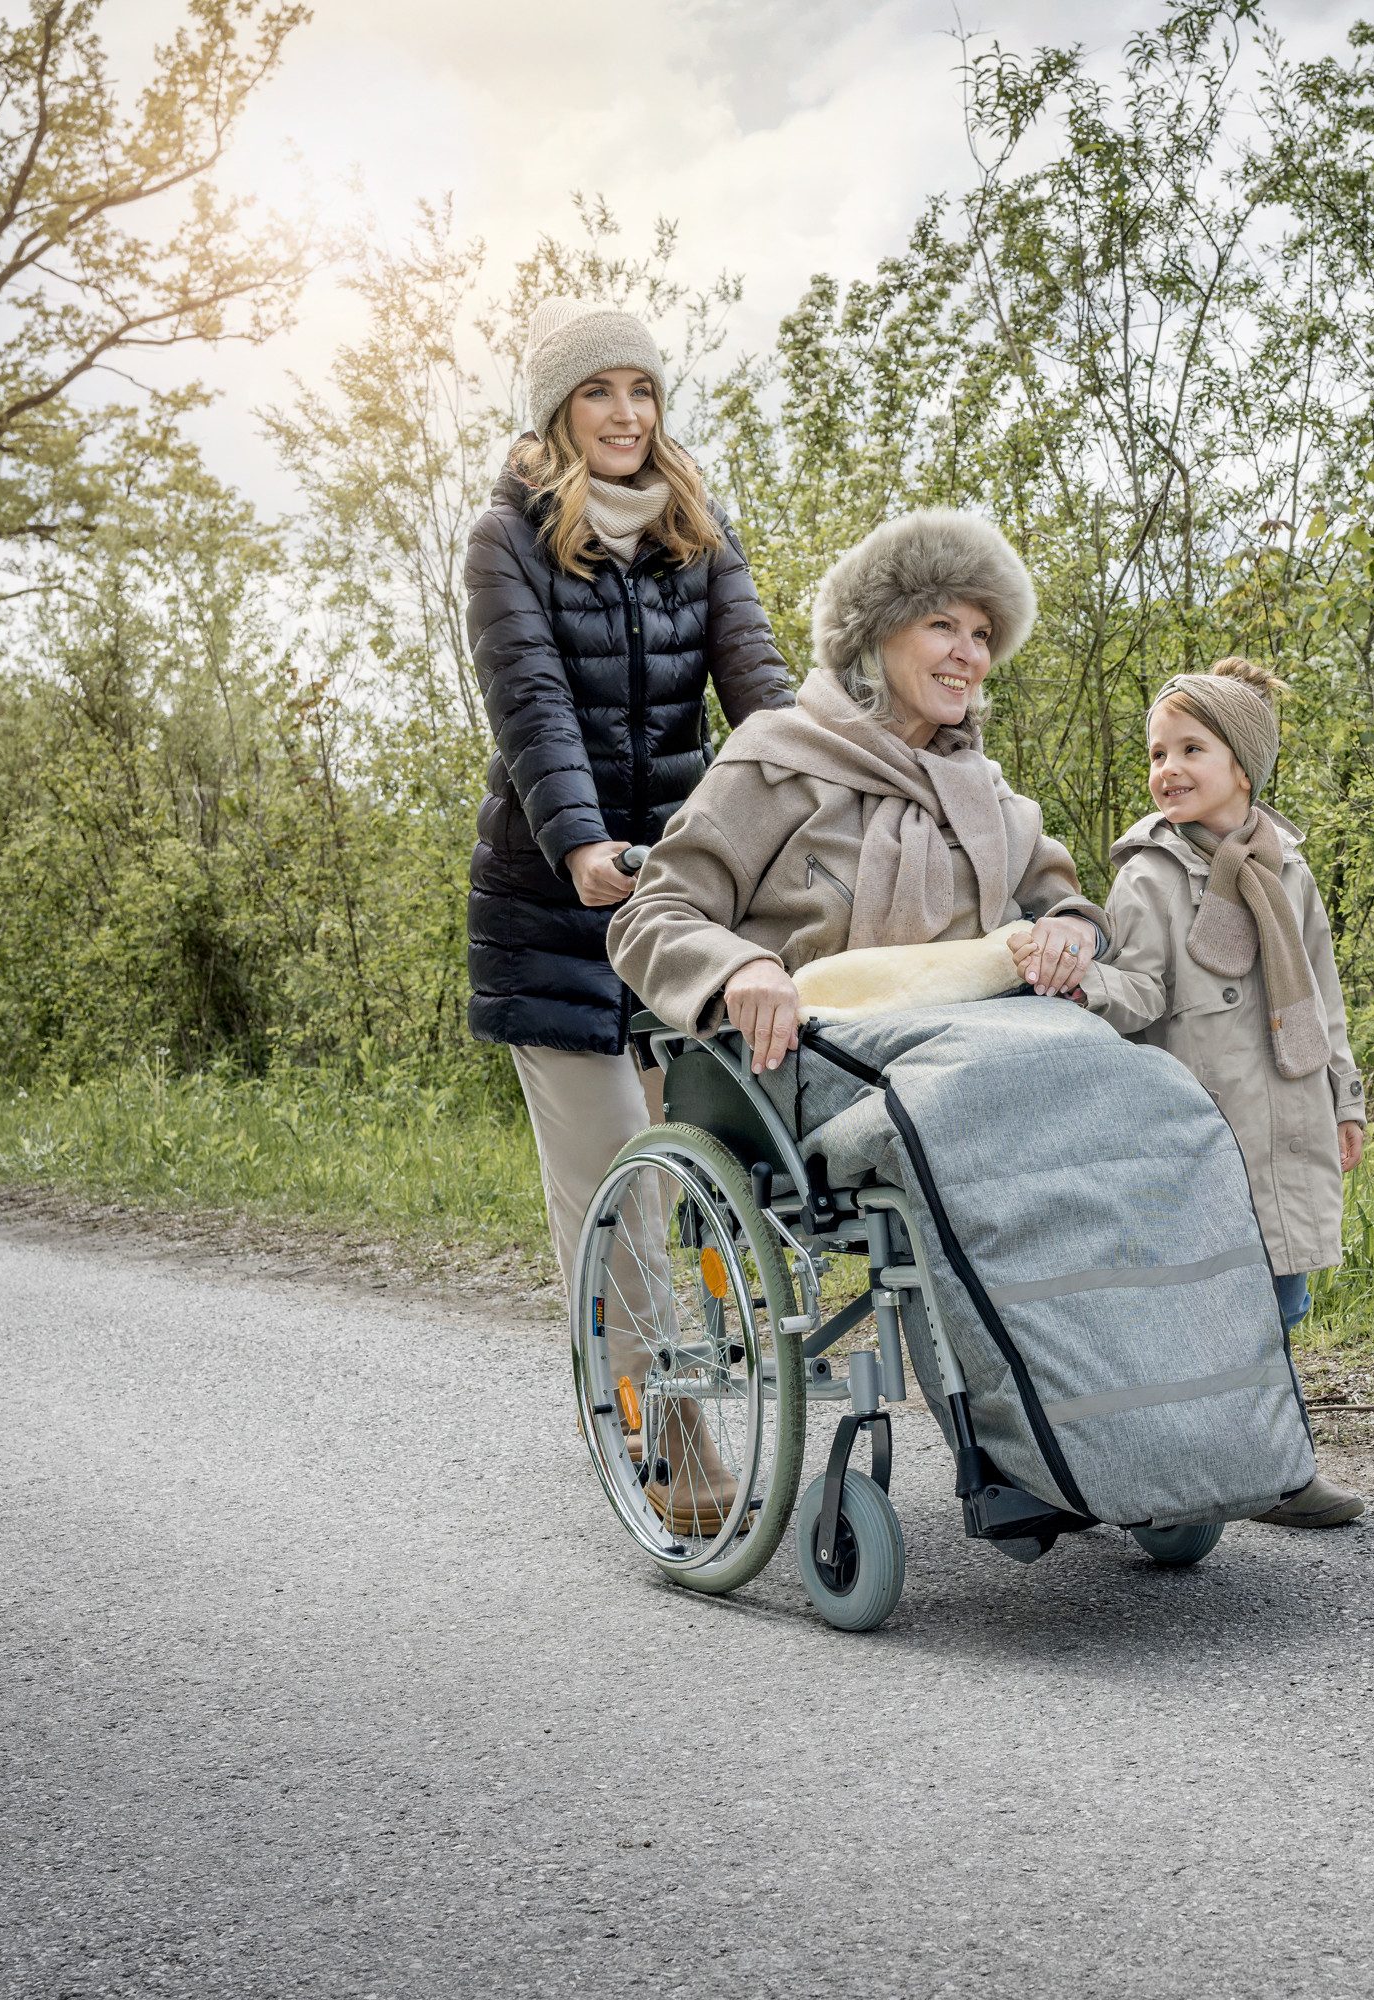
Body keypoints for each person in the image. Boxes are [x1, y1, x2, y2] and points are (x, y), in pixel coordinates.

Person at [464, 297, 793, 1527]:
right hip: (555, 902)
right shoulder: (502, 539)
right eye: (599, 393)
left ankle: (692, 1385)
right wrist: (579, 842)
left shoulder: (698, 532)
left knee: (690, 1174)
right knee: (607, 1178)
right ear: (557, 412)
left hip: (682, 899)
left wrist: (814, 799)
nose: (624, 414)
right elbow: (532, 703)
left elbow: (757, 690)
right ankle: (667, 1431)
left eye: (641, 392)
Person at [607, 510, 1107, 1064]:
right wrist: (739, 967)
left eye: (982, 635)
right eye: (942, 626)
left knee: (1151, 1090)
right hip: (833, 1067)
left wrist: (1073, 927)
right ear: (873, 633)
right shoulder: (776, 761)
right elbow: (653, 916)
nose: (969, 654)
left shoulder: (983, 792)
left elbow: (1059, 901)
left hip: (1001, 1044)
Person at [1078, 657, 1370, 1529]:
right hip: (1200, 1124)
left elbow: (1321, 993)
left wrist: (1345, 1097)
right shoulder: (1150, 877)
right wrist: (1083, 985)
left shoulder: (1290, 874)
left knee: (1280, 1297)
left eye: (1190, 749)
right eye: (1157, 753)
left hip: (1286, 1116)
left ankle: (1278, 1466)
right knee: (1201, 1300)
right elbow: (1139, 991)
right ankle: (1189, 1466)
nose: (1167, 768)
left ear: (1242, 765)